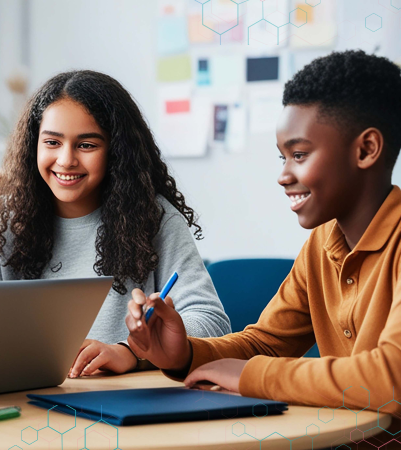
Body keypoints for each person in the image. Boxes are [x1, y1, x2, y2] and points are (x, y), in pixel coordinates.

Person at [126, 50, 401, 415]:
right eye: (281, 157)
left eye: (299, 155)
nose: (284, 175)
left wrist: (252, 376)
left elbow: (391, 379)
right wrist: (185, 353)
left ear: (366, 149)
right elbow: (267, 343)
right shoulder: (321, 245)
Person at [0, 70, 230, 378]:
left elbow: (211, 322)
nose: (66, 160)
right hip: (30, 405)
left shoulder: (155, 219)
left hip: (122, 408)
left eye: (86, 145)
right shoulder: (6, 223)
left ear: (116, 152)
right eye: (52, 142)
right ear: (34, 147)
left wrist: (131, 352)